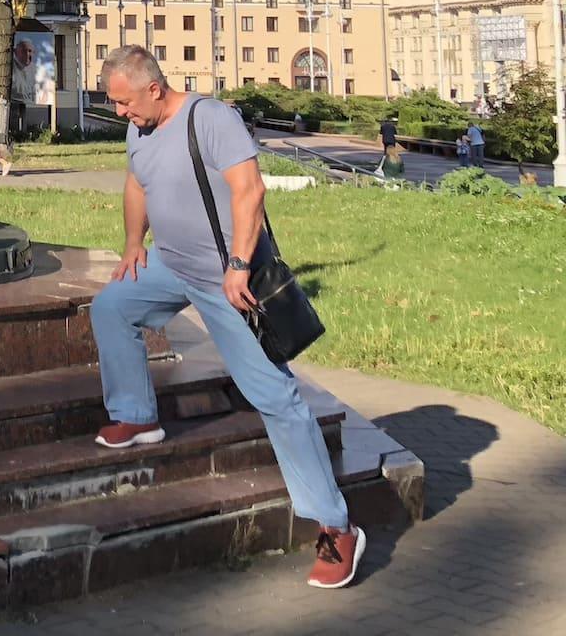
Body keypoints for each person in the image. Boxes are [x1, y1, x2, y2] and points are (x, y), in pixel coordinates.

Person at [88, 45, 364, 590]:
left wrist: (238, 265)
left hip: (227, 277)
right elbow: (136, 184)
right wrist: (130, 244)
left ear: (153, 88)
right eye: (114, 104)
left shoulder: (209, 118)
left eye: (123, 102)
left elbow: (249, 190)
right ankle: (138, 415)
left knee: (275, 397)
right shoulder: (138, 131)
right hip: (172, 264)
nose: (119, 113)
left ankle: (337, 525)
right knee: (113, 305)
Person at [377, 113, 401, 178]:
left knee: (385, 150)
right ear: (390, 122)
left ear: (385, 122)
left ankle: (386, 159)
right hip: (392, 140)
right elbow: (395, 133)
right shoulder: (393, 126)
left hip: (385, 140)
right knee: (392, 150)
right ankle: (392, 159)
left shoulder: (383, 126)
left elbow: (381, 133)